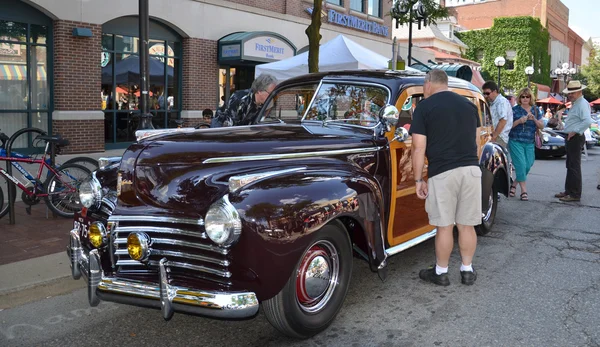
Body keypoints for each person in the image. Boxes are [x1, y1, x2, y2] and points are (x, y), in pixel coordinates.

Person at [410, 70, 481, 286]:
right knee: (467, 225)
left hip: (442, 172)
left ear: (429, 83)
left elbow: (417, 147)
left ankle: (441, 272)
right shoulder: (469, 105)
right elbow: (477, 142)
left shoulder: (425, 106)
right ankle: (467, 270)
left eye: (424, 84)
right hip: (470, 169)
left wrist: (418, 180)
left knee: (445, 226)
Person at [555, 80, 593, 202]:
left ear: (579, 91)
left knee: (574, 165)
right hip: (572, 136)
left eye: (572, 93)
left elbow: (587, 121)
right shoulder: (578, 103)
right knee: (570, 165)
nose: (570, 95)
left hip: (575, 137)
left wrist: (574, 131)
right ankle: (569, 191)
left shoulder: (581, 104)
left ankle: (574, 194)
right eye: (569, 93)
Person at [508, 87, 544, 201]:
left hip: (529, 142)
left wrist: (534, 119)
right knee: (521, 165)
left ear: (530, 98)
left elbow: (542, 126)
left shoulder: (536, 110)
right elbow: (508, 126)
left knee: (528, 165)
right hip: (515, 141)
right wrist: (519, 121)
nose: (525, 99)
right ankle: (524, 191)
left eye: (527, 97)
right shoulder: (514, 110)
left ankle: (514, 184)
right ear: (519, 98)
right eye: (522, 97)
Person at [212, 74, 278, 127]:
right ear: (259, 91)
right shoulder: (239, 98)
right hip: (221, 126)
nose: (272, 96)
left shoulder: (264, 103)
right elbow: (229, 126)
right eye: (271, 93)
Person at [482, 81, 513, 149]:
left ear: (495, 91)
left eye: (487, 93)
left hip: (499, 137)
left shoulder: (501, 102)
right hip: (497, 136)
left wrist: (494, 136)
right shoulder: (494, 102)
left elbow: (503, 120)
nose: (486, 96)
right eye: (484, 93)